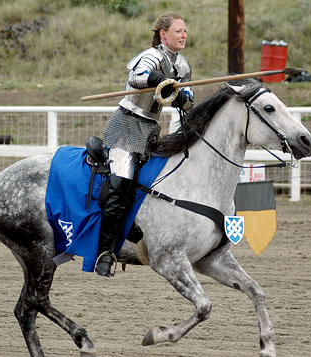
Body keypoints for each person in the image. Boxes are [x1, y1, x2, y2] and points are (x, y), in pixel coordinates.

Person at [94, 12, 195, 277]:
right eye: (178, 31)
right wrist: (160, 81)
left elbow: (188, 99)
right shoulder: (150, 56)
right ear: (163, 34)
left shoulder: (182, 65)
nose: (183, 35)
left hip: (150, 129)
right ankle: (104, 252)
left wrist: (180, 95)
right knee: (122, 183)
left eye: (185, 31)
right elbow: (137, 78)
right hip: (127, 126)